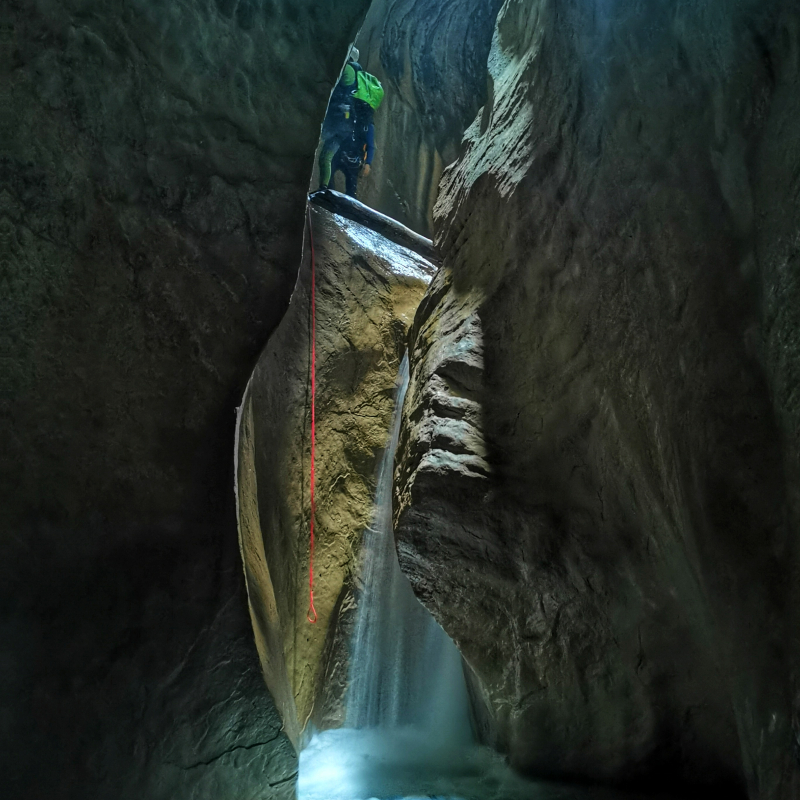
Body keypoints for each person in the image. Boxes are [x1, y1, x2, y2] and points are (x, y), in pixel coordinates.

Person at [317, 47, 361, 191]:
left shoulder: (347, 69)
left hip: (335, 121)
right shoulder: (358, 79)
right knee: (326, 157)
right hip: (345, 127)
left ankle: (322, 188)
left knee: (312, 142)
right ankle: (324, 189)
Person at [327, 105, 375, 198]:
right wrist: (368, 163)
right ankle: (332, 199)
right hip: (353, 159)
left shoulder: (352, 114)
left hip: (341, 154)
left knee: (330, 177)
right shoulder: (368, 123)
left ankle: (330, 198)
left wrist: (368, 163)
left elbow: (371, 145)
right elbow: (371, 145)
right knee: (351, 190)